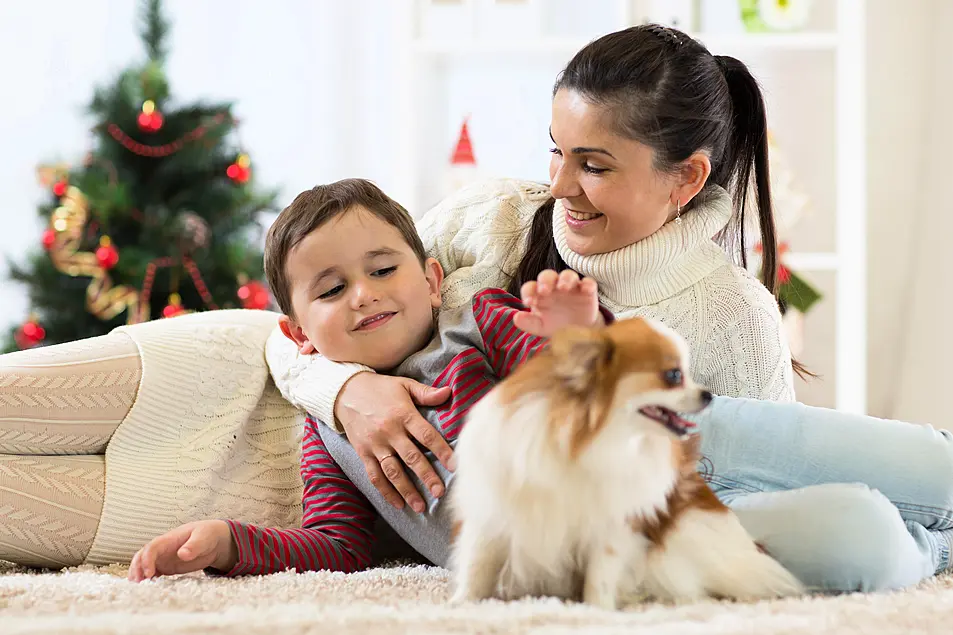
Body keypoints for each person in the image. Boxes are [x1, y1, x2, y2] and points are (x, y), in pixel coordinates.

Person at [0, 24, 950, 592]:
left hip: (671, 454)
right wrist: (341, 392)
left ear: (683, 178)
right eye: (555, 152)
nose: (560, 189)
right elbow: (291, 340)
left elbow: (707, 467)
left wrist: (592, 353)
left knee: (908, 482)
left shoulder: (487, 304)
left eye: (593, 164)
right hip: (251, 383)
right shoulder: (492, 225)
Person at [125, 178, 606, 580]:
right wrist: (229, 543)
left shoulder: (480, 320)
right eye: (333, 289)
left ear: (432, 281)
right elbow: (339, 546)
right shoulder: (329, 428)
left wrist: (572, 338)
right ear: (300, 334)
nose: (363, 294)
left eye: (382, 269)